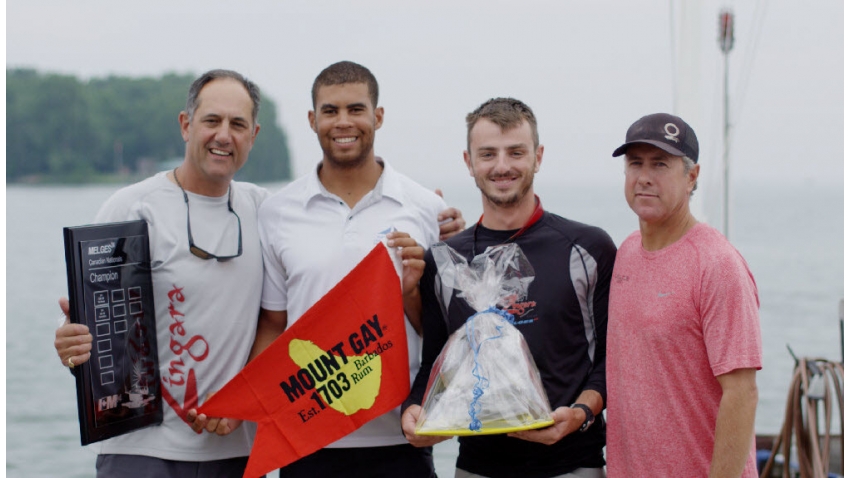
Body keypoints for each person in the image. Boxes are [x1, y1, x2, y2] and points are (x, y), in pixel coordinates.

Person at [53, 69, 269, 477]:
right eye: (212, 121)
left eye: (238, 124)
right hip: (140, 450)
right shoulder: (134, 207)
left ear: (253, 136)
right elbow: (85, 325)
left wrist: (426, 219)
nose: (224, 135)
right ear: (186, 125)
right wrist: (70, 341)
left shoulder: (266, 211)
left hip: (234, 450)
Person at [251, 61, 460, 478]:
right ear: (312, 120)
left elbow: (446, 334)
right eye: (330, 111)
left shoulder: (427, 210)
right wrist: (258, 408)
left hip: (401, 435)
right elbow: (274, 324)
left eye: (356, 109)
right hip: (307, 436)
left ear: (378, 116)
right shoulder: (277, 213)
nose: (343, 122)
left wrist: (410, 292)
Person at [402, 97, 617, 478]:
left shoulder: (589, 248)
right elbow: (435, 360)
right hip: (477, 467)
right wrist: (416, 408)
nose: (502, 166)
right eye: (488, 154)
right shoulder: (445, 260)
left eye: (516, 152)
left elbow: (612, 359)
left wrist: (581, 413)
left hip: (573, 464)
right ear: (469, 162)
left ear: (538, 156)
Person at [605, 113, 762, 477]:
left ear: (692, 176)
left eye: (660, 164)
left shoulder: (717, 264)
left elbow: (742, 393)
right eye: (635, 164)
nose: (644, 177)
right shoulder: (626, 252)